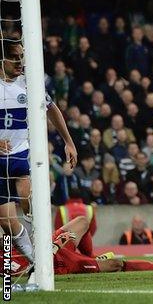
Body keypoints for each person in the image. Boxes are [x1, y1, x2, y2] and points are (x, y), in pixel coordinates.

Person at [0, 40, 77, 266]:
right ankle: (38, 262)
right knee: (7, 221)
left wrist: (68, 142)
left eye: (22, 57)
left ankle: (46, 251)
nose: (20, 62)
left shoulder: (28, 84)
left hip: (22, 155)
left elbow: (52, 109)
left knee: (29, 200)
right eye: (14, 57)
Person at [10, 216, 153, 276]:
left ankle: (92, 257)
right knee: (116, 264)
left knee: (82, 221)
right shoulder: (8, 271)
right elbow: (35, 270)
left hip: (49, 245)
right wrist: (56, 246)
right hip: (59, 262)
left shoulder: (4, 245)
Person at [54, 188, 97, 257]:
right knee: (90, 259)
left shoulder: (62, 209)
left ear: (69, 196)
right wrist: (86, 237)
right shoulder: (89, 208)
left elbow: (58, 227)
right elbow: (93, 227)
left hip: (67, 241)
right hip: (85, 239)